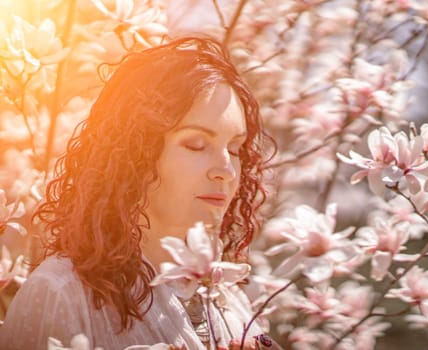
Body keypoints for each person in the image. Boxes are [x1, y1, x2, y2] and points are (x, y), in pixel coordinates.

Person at [0, 36, 278, 350]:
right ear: (135, 153)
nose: (225, 170)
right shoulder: (60, 293)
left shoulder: (230, 300)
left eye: (235, 149)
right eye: (196, 144)